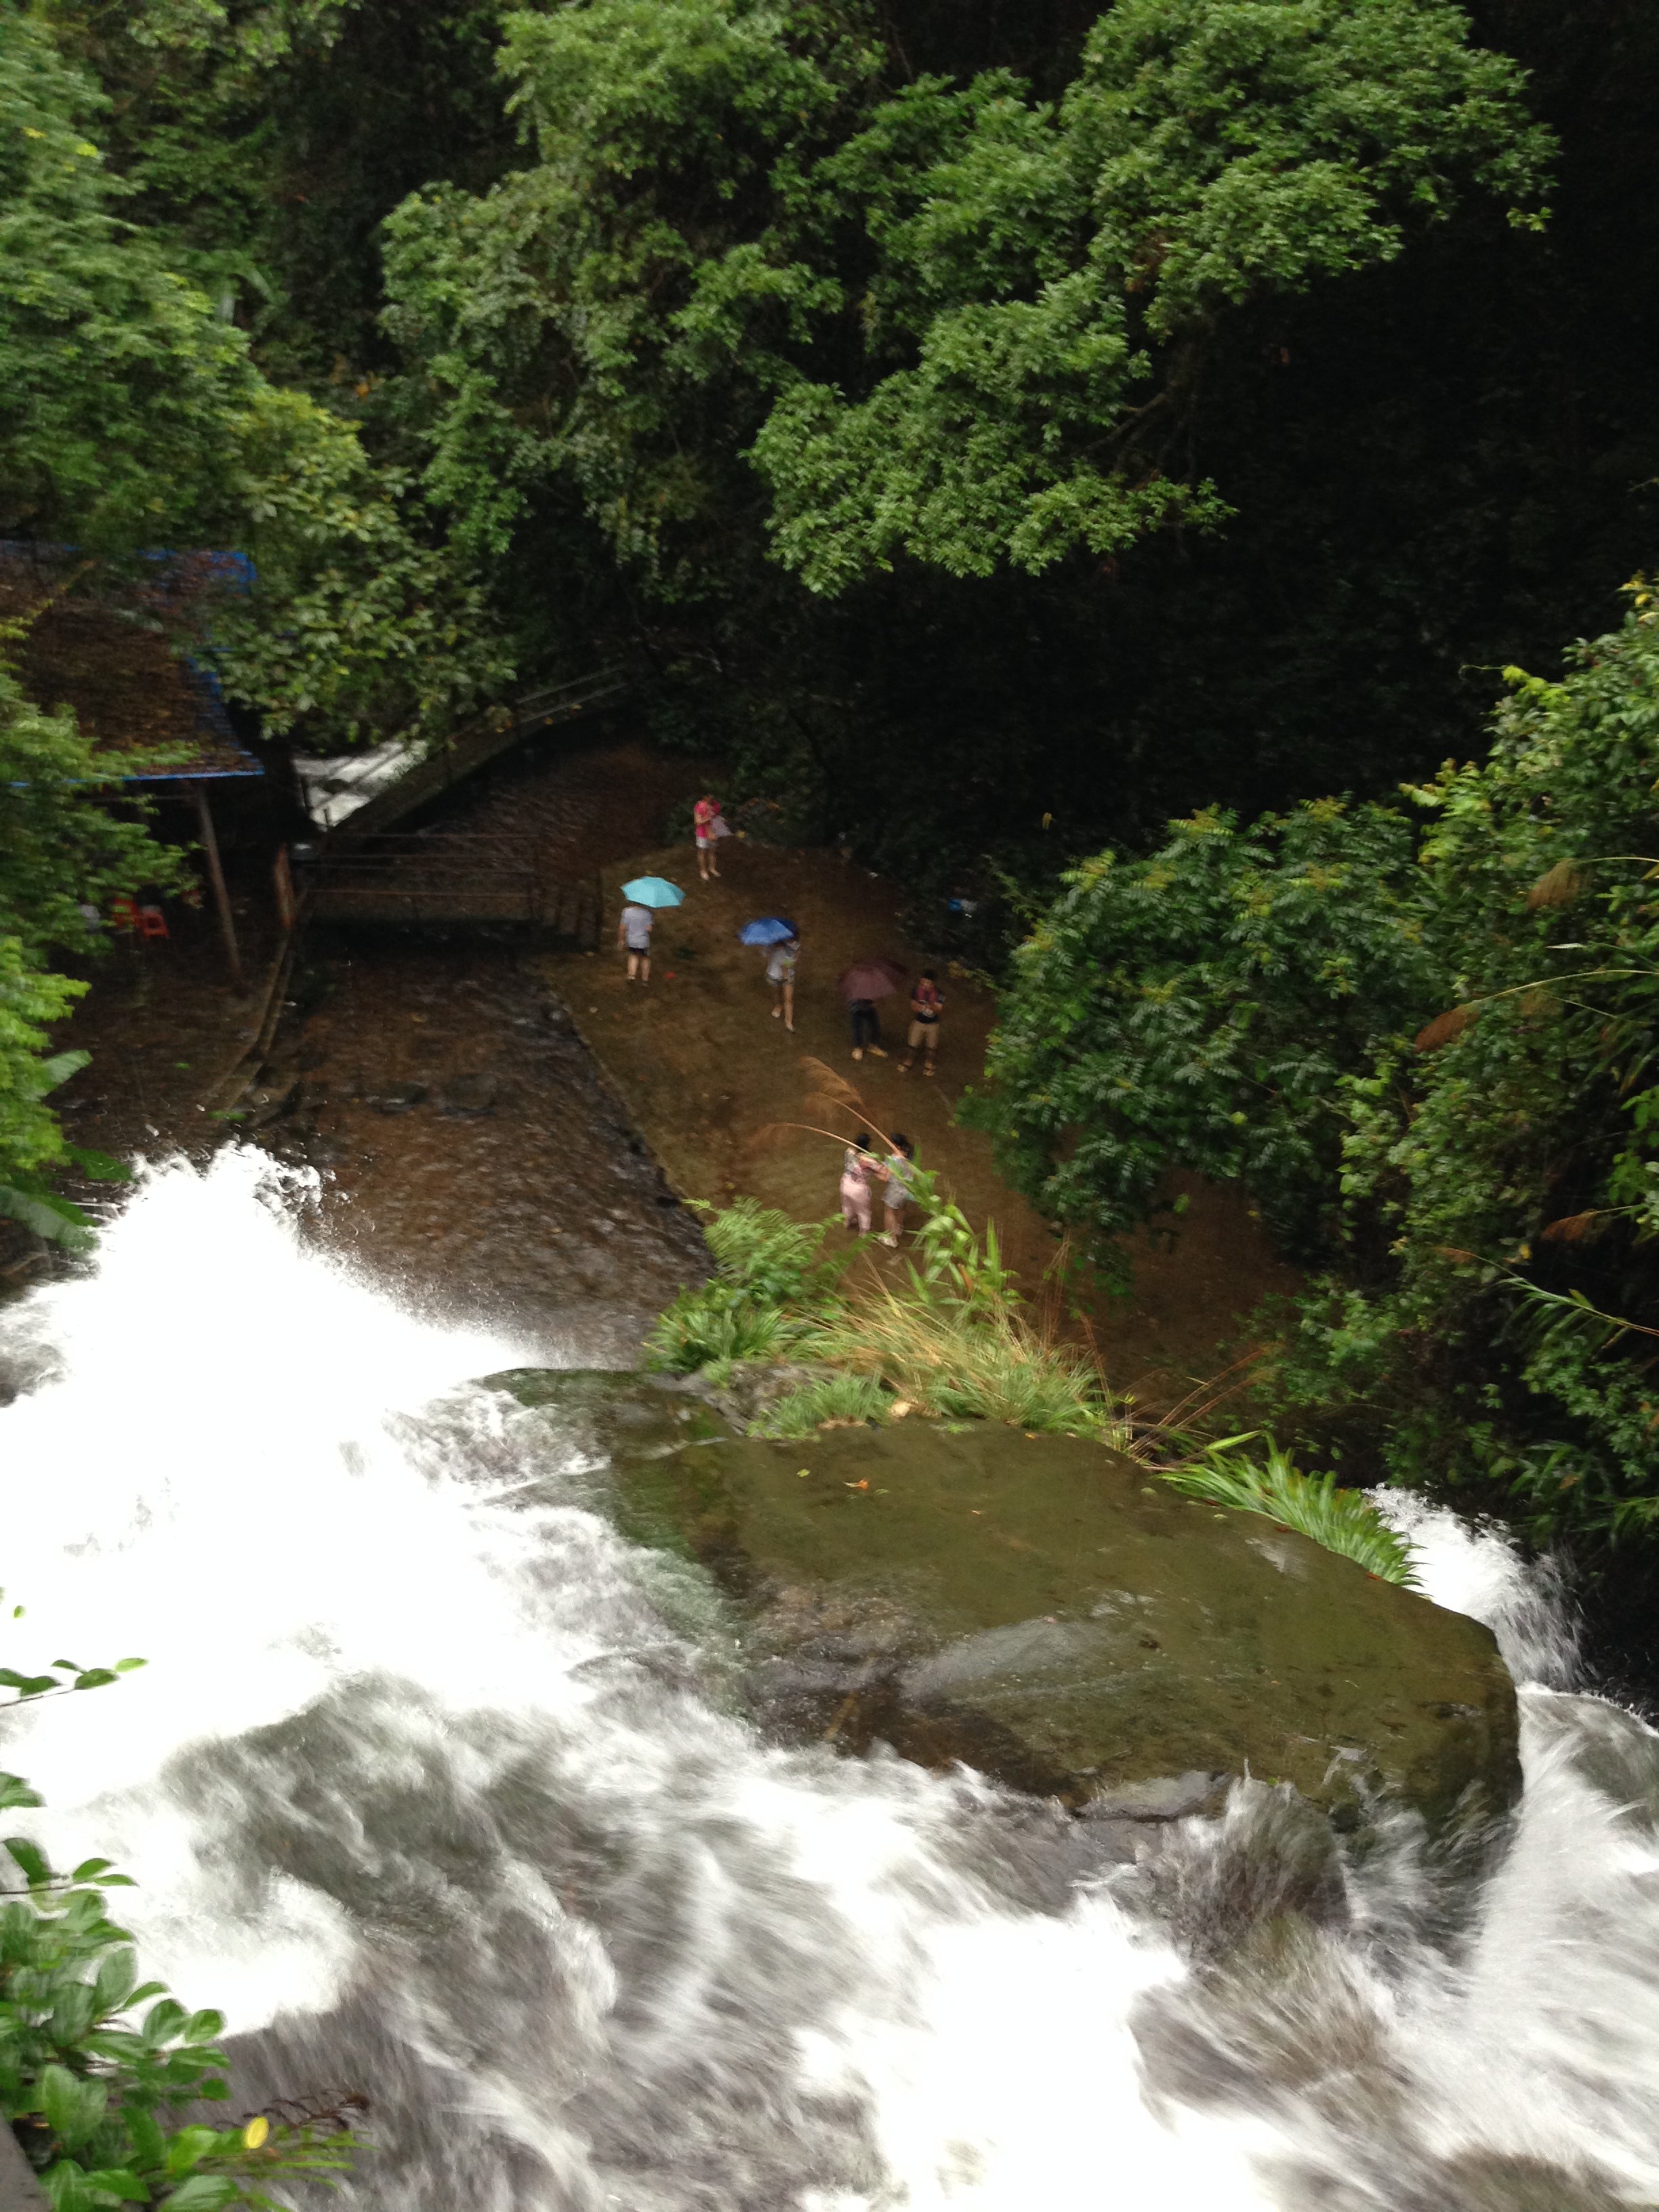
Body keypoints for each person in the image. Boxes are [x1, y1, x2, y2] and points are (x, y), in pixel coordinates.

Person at [901, 968, 944, 1075]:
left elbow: (939, 1010)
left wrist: (931, 1006)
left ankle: (929, 1063)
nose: (925, 985)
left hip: (933, 1024)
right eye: (923, 982)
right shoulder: (916, 991)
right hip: (919, 1021)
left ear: (933, 983)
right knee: (912, 1044)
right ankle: (908, 1061)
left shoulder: (939, 994)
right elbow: (913, 1006)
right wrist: (918, 1007)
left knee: (931, 1047)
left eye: (928, 983)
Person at [880, 1132, 915, 1248]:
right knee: (902, 1208)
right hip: (908, 1188)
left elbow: (885, 1177)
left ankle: (891, 1238)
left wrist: (874, 1171)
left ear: (897, 1145)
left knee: (889, 1211)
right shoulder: (909, 1156)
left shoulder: (893, 1159)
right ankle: (898, 1227)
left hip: (895, 1189)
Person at [839, 1134, 878, 1233]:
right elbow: (879, 1170)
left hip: (845, 1184)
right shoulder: (870, 1161)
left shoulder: (849, 1152)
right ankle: (864, 1233)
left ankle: (847, 1223)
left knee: (847, 1206)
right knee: (863, 1212)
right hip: (858, 1189)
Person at [618, 899, 654, 983]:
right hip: (643, 940)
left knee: (633, 955)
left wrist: (621, 940)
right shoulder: (647, 913)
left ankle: (631, 975)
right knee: (645, 958)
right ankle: (645, 979)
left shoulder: (627, 911)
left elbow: (622, 927)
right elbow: (649, 929)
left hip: (631, 939)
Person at [766, 934, 798, 1030]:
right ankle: (781, 1011)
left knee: (787, 998)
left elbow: (785, 967)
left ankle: (788, 1021)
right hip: (776, 975)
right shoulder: (771, 946)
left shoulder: (791, 949)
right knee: (783, 996)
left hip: (781, 975)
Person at [693, 795, 725, 882]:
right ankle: (703, 870)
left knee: (712, 851)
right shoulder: (700, 806)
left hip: (713, 832)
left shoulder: (716, 805)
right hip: (702, 833)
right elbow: (697, 821)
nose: (711, 798)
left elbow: (717, 817)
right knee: (702, 852)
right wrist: (707, 819)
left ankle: (712, 868)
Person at [848, 996, 886, 1061]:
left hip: (869, 1006)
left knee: (875, 1024)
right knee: (858, 1026)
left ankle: (873, 1045)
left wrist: (875, 1000)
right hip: (857, 1007)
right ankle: (858, 1048)